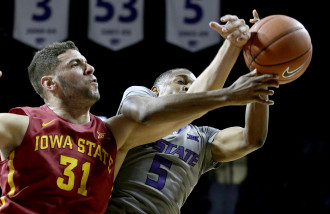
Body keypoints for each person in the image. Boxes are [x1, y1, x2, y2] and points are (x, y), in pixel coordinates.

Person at [107, 10, 277, 214]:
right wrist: (229, 89)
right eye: (181, 81)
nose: (188, 88)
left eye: (194, 85)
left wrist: (260, 68)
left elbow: (252, 139)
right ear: (156, 90)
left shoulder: (202, 138)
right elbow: (146, 113)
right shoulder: (139, 95)